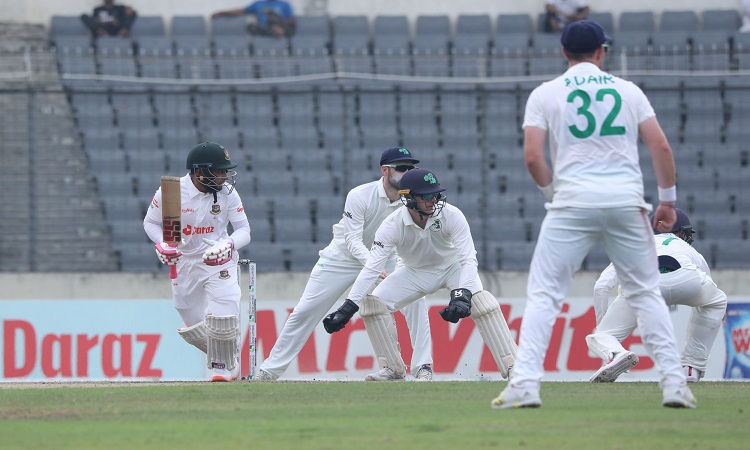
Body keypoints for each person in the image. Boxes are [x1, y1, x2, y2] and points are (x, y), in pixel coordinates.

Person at [492, 20, 697, 409]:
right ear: (602, 52)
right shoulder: (628, 91)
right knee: (645, 293)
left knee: (544, 296)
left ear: (563, 53)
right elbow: (661, 148)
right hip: (627, 204)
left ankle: (526, 386)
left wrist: (554, 194)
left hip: (571, 204)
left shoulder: (546, 93)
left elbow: (533, 156)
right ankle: (674, 385)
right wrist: (667, 202)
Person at [255, 147, 434, 381]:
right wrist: (371, 264)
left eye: (411, 168)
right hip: (341, 259)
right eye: (402, 168)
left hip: (386, 259)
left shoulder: (411, 200)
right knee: (305, 310)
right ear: (385, 170)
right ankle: (269, 370)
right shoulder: (360, 195)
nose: (407, 172)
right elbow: (352, 240)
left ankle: (422, 367)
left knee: (416, 300)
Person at [323, 168, 518, 382]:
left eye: (434, 194)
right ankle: (393, 369)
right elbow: (371, 268)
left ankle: (514, 367)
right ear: (408, 198)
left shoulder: (452, 215)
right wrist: (348, 307)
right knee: (371, 305)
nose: (433, 200)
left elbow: (469, 260)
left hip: (451, 267)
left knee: (481, 303)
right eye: (425, 196)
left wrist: (462, 294)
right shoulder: (391, 225)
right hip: (413, 272)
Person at [143, 142, 251, 382]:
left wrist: (229, 245)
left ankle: (220, 369)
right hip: (183, 262)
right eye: (220, 171)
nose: (224, 176)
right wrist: (162, 244)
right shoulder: (171, 192)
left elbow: (244, 230)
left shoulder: (228, 193)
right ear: (200, 172)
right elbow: (150, 223)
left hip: (217, 259)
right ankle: (227, 358)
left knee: (225, 311)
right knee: (191, 321)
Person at [587, 209, 727, 383]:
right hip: (687, 281)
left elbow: (601, 286)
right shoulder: (685, 247)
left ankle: (616, 354)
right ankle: (691, 367)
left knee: (600, 337)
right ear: (678, 232)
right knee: (717, 301)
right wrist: (716, 310)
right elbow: (707, 279)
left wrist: (604, 330)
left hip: (642, 288)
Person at [211, 0, 296, 37]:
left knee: (272, 15)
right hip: (266, 29)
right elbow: (240, 11)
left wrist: (279, 25)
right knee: (251, 27)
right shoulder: (259, 4)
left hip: (282, 27)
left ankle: (277, 30)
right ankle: (272, 31)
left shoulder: (285, 4)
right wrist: (221, 12)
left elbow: (292, 21)